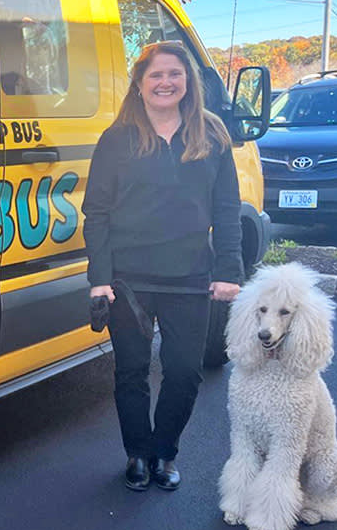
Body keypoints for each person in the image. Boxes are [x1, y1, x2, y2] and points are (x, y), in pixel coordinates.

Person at [82, 41, 243, 492]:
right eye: (156, 75)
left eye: (175, 74)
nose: (165, 82)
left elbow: (228, 209)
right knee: (131, 371)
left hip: (191, 277)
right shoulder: (117, 139)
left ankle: (164, 451)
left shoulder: (211, 135)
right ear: (139, 83)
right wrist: (99, 280)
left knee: (184, 373)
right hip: (127, 280)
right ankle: (137, 453)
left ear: (188, 81)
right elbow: (96, 212)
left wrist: (228, 271)